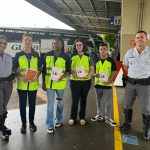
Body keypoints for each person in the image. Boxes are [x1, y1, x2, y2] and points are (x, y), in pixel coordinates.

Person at [120, 31, 150, 141]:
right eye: (137, 37)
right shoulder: (129, 52)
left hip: (145, 84)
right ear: (135, 40)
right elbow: (125, 66)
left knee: (146, 108)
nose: (139, 39)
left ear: (146, 39)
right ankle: (127, 123)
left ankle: (147, 129)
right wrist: (131, 75)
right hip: (131, 83)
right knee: (128, 104)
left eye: (142, 37)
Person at [13, 34, 41, 134]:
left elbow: (39, 69)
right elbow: (14, 69)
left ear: (32, 42)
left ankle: (31, 123)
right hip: (22, 85)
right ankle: (23, 124)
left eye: (29, 40)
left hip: (33, 85)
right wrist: (20, 77)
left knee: (32, 105)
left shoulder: (36, 55)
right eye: (26, 40)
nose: (28, 42)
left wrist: (36, 77)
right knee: (22, 105)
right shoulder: (18, 55)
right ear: (22, 41)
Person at [42, 38, 71, 134]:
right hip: (49, 85)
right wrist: (43, 83)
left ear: (62, 45)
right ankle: (49, 125)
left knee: (60, 103)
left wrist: (62, 77)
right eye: (54, 43)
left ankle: (58, 120)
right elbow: (44, 70)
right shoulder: (48, 54)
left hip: (60, 85)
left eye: (58, 43)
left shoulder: (66, 56)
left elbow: (68, 71)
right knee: (50, 105)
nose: (56, 45)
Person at [69, 38, 94, 126]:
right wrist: (74, 74)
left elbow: (92, 68)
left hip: (85, 82)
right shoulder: (71, 55)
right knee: (75, 100)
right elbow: (69, 68)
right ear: (75, 46)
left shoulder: (88, 55)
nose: (78, 46)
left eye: (80, 45)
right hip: (74, 81)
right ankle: (72, 117)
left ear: (83, 46)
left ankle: (82, 117)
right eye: (77, 45)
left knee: (83, 100)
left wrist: (88, 76)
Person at [91, 43, 117, 127]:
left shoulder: (111, 60)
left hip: (107, 85)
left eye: (104, 49)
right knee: (98, 100)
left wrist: (110, 80)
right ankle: (99, 115)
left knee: (108, 102)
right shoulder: (96, 60)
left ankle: (108, 117)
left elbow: (114, 72)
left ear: (107, 50)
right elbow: (93, 71)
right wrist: (95, 74)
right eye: (101, 49)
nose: (103, 50)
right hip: (98, 84)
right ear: (99, 50)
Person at [0, 35, 15, 141]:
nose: (2, 45)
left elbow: (13, 69)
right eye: (0, 43)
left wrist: (14, 74)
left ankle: (2, 125)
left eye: (4, 43)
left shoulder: (9, 57)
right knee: (0, 107)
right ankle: (1, 130)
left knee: (4, 106)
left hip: (8, 84)